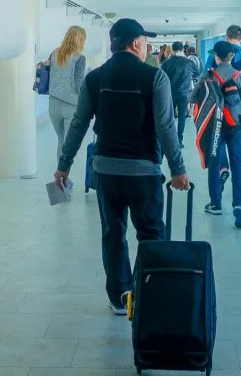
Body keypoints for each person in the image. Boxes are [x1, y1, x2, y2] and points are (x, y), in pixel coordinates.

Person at [54, 18, 190, 315]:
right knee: (151, 233)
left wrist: (64, 163)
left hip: (107, 172)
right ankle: (149, 291)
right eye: (144, 42)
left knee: (113, 233)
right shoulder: (154, 78)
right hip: (144, 172)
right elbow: (166, 127)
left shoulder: (95, 78)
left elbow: (79, 124)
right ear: (136, 44)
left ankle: (119, 297)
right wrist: (178, 169)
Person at [193, 41, 241, 228]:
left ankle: (216, 204)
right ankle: (238, 205)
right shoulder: (240, 76)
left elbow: (192, 97)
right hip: (237, 127)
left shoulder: (209, 76)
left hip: (215, 128)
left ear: (216, 57)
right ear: (232, 56)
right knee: (237, 164)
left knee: (214, 163)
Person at [203, 25, 241, 190]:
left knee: (218, 142)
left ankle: (223, 167)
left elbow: (205, 81)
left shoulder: (215, 56)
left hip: (217, 112)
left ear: (226, 37)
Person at [46, 25, 87, 163]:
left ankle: (60, 176)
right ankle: (63, 177)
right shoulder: (79, 58)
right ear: (80, 40)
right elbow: (79, 83)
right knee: (67, 144)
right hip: (71, 105)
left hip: (53, 105)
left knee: (61, 140)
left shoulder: (54, 53)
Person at [161, 41, 200, 149]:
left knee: (170, 117)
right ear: (183, 49)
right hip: (184, 93)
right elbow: (197, 73)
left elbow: (162, 77)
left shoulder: (167, 62)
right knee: (182, 116)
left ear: (173, 50)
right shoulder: (188, 62)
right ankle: (179, 139)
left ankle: (170, 139)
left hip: (170, 93)